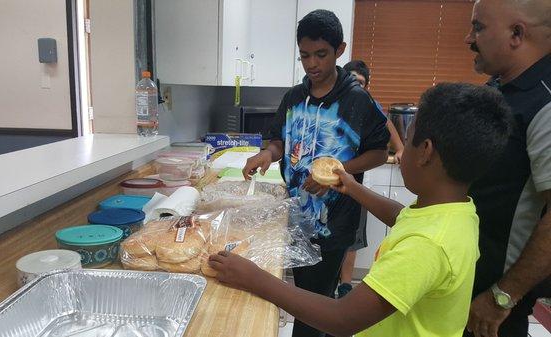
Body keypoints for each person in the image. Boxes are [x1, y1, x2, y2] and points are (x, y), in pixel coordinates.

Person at [211, 83, 513, 337]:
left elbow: (341, 319)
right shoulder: (456, 213)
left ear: (426, 152)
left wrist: (255, 278)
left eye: (407, 141)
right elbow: (402, 217)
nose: (402, 150)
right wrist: (352, 186)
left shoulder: (427, 247)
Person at [241, 9, 390, 337]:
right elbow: (279, 139)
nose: (312, 64)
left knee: (314, 309)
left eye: (320, 54)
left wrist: (339, 173)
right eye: (305, 56)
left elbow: (381, 152)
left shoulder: (356, 100)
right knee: (301, 300)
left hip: (333, 225)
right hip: (296, 218)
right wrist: (267, 153)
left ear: (339, 50)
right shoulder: (294, 97)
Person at [463, 1, 551, 336]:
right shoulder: (499, 90)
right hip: (463, 287)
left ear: (517, 34)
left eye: (479, 27)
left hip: (491, 306)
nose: (468, 38)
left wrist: (503, 296)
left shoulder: (544, 103)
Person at [335, 60, 406, 298]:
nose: (356, 86)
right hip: (327, 182)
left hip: (353, 185)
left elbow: (388, 126)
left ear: (367, 86)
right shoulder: (335, 103)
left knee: (352, 237)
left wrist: (399, 149)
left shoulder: (368, 105)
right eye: (351, 80)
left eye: (361, 82)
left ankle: (345, 286)